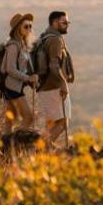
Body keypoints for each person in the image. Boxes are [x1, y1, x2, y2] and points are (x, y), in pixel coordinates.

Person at [35, 10, 74, 144]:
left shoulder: (44, 37)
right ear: (55, 23)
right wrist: (63, 84)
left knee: (51, 124)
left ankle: (41, 154)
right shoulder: (55, 40)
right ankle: (40, 151)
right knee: (63, 122)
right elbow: (54, 65)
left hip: (44, 87)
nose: (67, 25)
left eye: (67, 22)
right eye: (64, 22)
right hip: (54, 87)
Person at [1, 12, 39, 134]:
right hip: (12, 87)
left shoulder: (21, 45)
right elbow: (10, 69)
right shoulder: (13, 46)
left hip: (13, 86)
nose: (29, 29)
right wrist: (28, 78)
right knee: (29, 117)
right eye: (26, 26)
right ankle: (16, 143)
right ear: (18, 29)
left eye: (30, 25)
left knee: (10, 120)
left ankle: (3, 149)